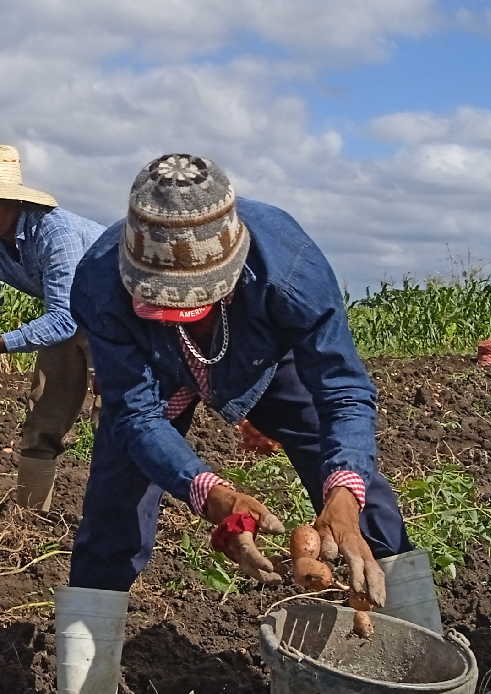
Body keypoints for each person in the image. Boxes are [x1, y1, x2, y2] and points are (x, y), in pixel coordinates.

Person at [56, 153, 438, 693]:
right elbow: (137, 412)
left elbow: (343, 388)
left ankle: (419, 662)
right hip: (158, 373)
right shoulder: (99, 282)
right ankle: (85, 681)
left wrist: (345, 492)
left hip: (262, 359)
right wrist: (211, 494)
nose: (181, 313)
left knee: (361, 494)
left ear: (231, 275)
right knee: (113, 508)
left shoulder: (291, 268)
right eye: (163, 303)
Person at [0, 145, 103, 512]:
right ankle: (29, 520)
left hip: (116, 322)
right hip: (68, 316)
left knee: (115, 424)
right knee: (44, 415)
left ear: (9, 202)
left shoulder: (53, 232)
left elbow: (64, 319)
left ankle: (112, 532)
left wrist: (3, 342)